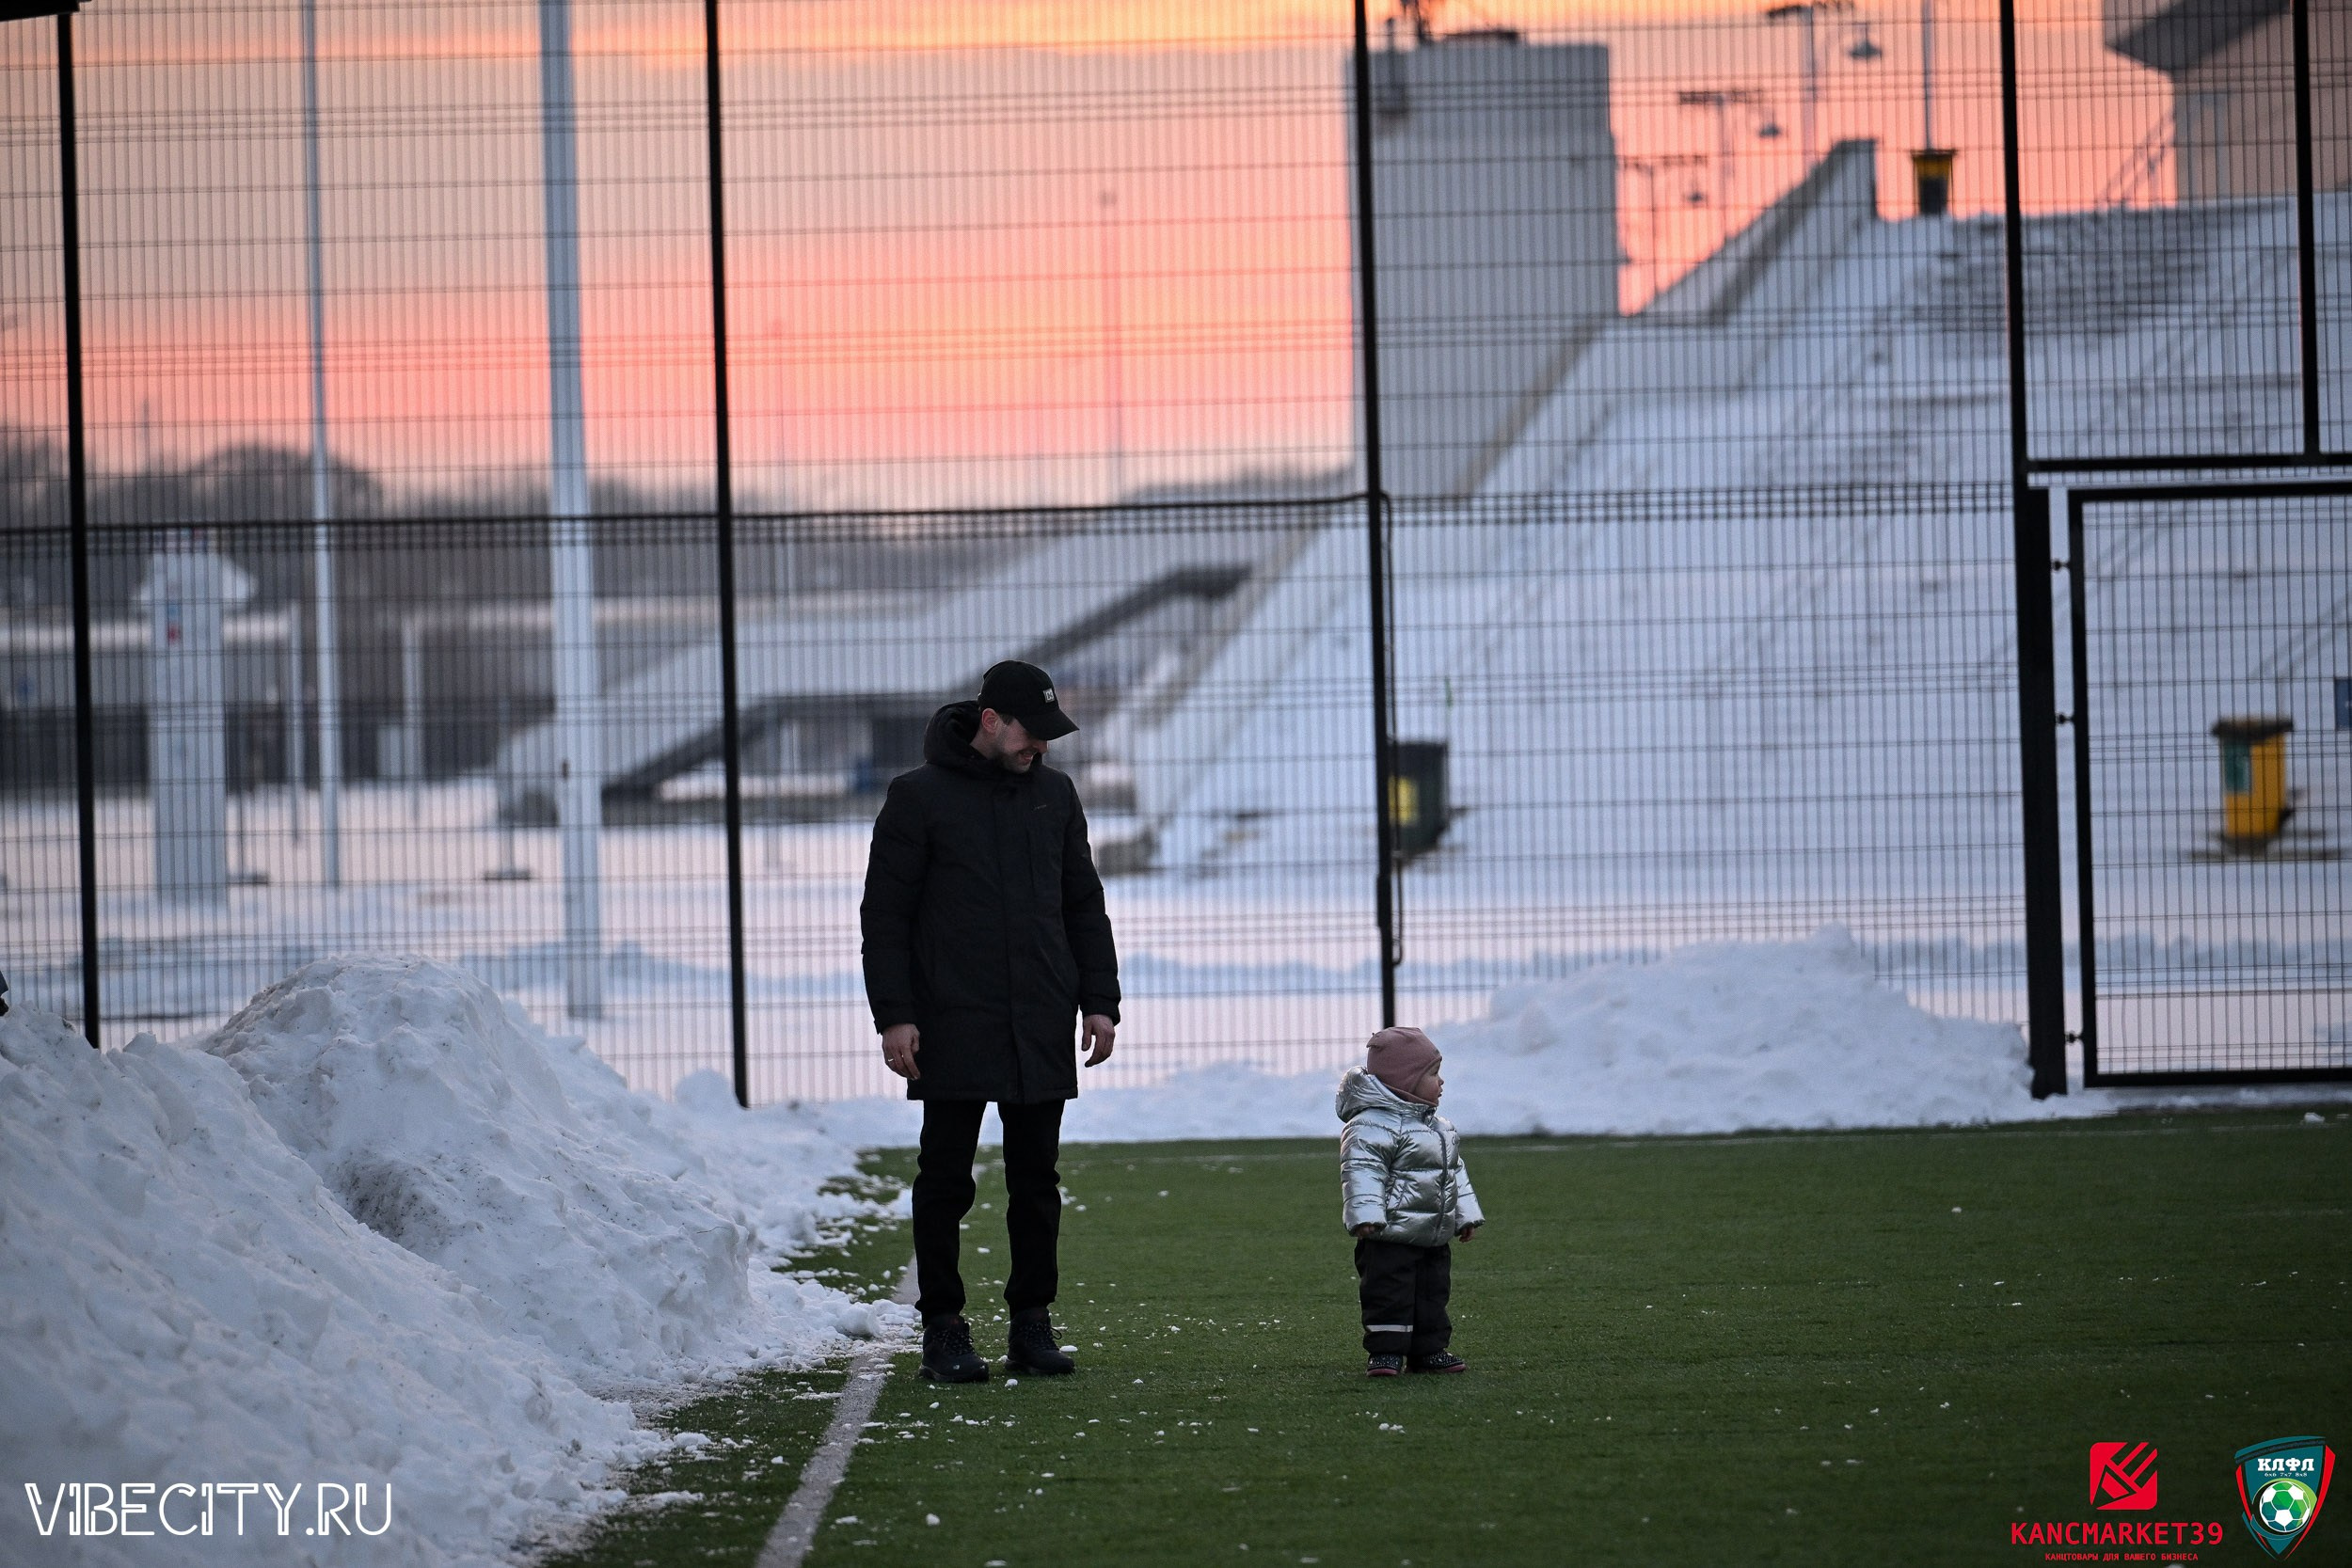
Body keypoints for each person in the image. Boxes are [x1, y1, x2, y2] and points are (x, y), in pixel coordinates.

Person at [860, 659, 1120, 1384]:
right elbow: (885, 919)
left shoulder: (1056, 796)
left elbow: (1082, 904)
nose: (1041, 746)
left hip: (1040, 1015)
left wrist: (1100, 998)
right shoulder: (917, 798)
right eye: (1031, 733)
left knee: (1037, 1179)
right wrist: (896, 1017)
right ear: (991, 722)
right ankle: (942, 1328)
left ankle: (1032, 1323)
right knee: (946, 1178)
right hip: (951, 1021)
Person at [1337, 1024, 1483, 1377]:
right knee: (1388, 1292)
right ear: (1406, 1081)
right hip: (1390, 1236)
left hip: (1433, 1233)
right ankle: (1385, 1352)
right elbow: (1362, 1171)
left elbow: (1454, 1173)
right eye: (1433, 1074)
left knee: (1433, 1294)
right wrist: (1366, 1216)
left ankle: (1429, 1350)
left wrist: (1465, 1216)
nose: (1441, 1082)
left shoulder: (1440, 1127)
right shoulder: (1371, 1125)